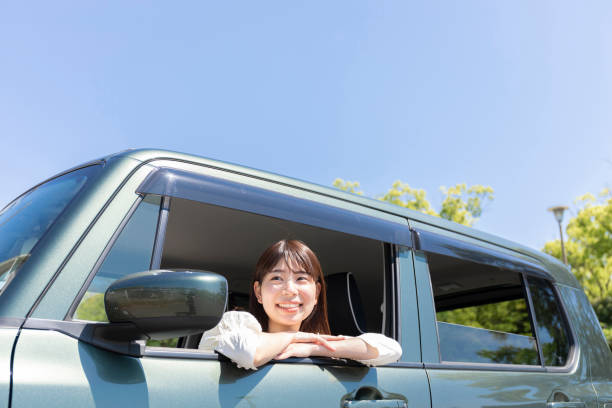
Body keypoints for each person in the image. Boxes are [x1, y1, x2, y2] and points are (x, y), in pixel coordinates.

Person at [199, 239, 402, 370]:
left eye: (301, 279)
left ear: (317, 294)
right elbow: (250, 352)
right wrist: (295, 337)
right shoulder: (232, 325)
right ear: (258, 292)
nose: (290, 289)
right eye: (277, 278)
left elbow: (391, 349)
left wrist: (313, 349)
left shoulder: (317, 343)